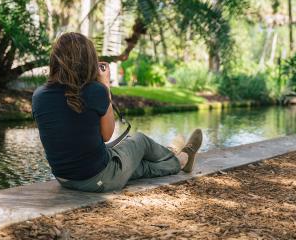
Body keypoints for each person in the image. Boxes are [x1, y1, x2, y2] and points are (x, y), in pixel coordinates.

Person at [32, 32, 203, 193]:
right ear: (88, 61)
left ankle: (173, 155)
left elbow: (69, 138)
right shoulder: (95, 90)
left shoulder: (38, 95)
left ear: (55, 60)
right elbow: (107, 134)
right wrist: (105, 86)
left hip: (65, 179)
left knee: (140, 166)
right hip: (98, 178)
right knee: (140, 140)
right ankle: (178, 158)